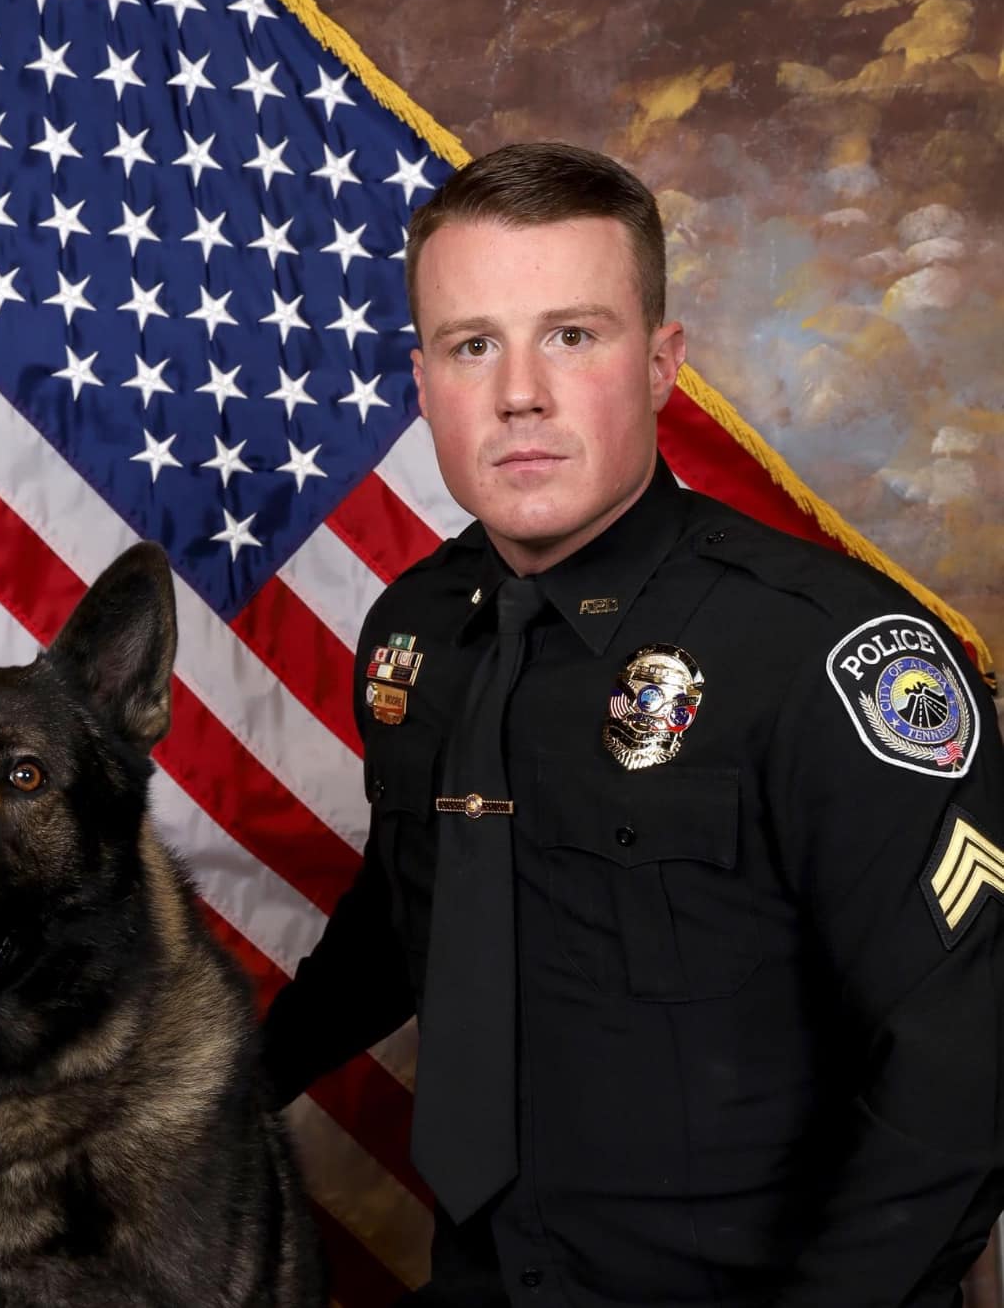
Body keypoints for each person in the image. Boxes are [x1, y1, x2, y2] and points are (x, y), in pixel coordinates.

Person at [261, 141, 1004, 1306]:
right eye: (473, 345)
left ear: (661, 363)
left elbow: (967, 1062)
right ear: (423, 382)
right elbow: (414, 912)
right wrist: (205, 1085)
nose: (520, 392)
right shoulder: (418, 634)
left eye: (572, 334)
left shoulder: (821, 651)